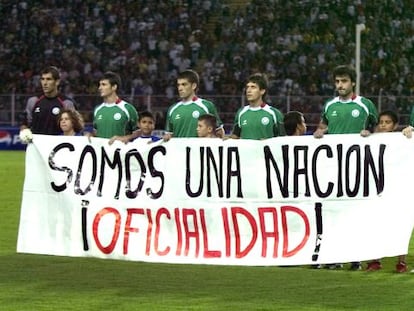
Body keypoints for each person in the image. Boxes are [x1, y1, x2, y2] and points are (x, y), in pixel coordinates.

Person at [314, 65, 379, 271]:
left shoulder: (364, 104)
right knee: (334, 211)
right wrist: (318, 132)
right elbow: (323, 127)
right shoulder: (330, 105)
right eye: (337, 82)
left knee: (354, 212)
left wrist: (370, 132)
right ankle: (334, 256)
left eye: (343, 81)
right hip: (333, 167)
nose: (340, 85)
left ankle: (356, 256)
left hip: (357, 167)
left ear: (352, 83)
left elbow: (377, 127)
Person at [366, 110, 407, 273]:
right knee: (376, 224)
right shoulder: (373, 140)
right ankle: (375, 260)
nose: (383, 125)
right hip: (378, 189)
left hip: (397, 189)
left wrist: (410, 132)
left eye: (387, 122)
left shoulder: (403, 140)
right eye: (381, 122)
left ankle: (401, 263)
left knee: (400, 225)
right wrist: (366, 134)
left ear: (395, 125)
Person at [163, 69, 223, 141]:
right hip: (179, 152)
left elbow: (219, 132)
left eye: (184, 84)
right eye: (178, 85)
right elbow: (169, 134)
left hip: (200, 151)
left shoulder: (206, 106)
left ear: (193, 86)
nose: (180, 88)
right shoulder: (172, 109)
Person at [21, 66, 76, 135]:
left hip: (57, 144)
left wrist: (86, 134)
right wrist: (24, 132)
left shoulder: (66, 103)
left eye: (49, 79)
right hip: (36, 144)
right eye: (43, 79)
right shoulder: (33, 101)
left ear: (57, 82)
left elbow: (75, 127)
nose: (45, 83)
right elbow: (25, 124)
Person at [230, 73, 285, 140]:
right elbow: (236, 136)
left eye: (253, 87)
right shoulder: (241, 112)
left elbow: (283, 140)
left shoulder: (274, 113)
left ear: (262, 91)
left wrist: (268, 142)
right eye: (247, 87)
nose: (248, 91)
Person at [92, 71, 138, 139]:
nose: (99, 88)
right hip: (101, 149)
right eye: (100, 85)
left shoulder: (127, 108)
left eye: (104, 85)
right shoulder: (97, 109)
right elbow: (96, 131)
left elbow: (139, 132)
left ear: (114, 87)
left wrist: (125, 138)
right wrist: (90, 135)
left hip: (120, 149)